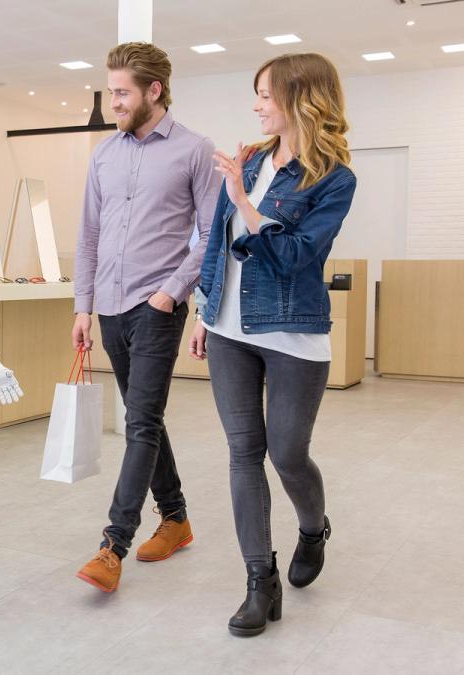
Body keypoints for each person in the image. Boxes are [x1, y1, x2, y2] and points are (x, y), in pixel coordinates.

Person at [190, 53, 356, 636]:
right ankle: (261, 581)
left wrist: (241, 197)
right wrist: (204, 309)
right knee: (243, 451)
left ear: (299, 97)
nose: (257, 105)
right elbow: (217, 242)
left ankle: (313, 528)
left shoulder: (333, 177)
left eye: (265, 94)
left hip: (292, 330)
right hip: (228, 329)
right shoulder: (253, 159)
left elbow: (293, 257)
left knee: (286, 454)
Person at [72, 41, 219, 593]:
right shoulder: (104, 155)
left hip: (156, 306)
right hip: (108, 305)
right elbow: (88, 234)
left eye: (120, 93)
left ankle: (113, 545)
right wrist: (82, 305)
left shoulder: (193, 151)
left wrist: (173, 291)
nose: (112, 102)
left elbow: (213, 233)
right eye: (110, 92)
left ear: (153, 91)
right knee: (145, 417)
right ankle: (176, 518)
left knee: (138, 422)